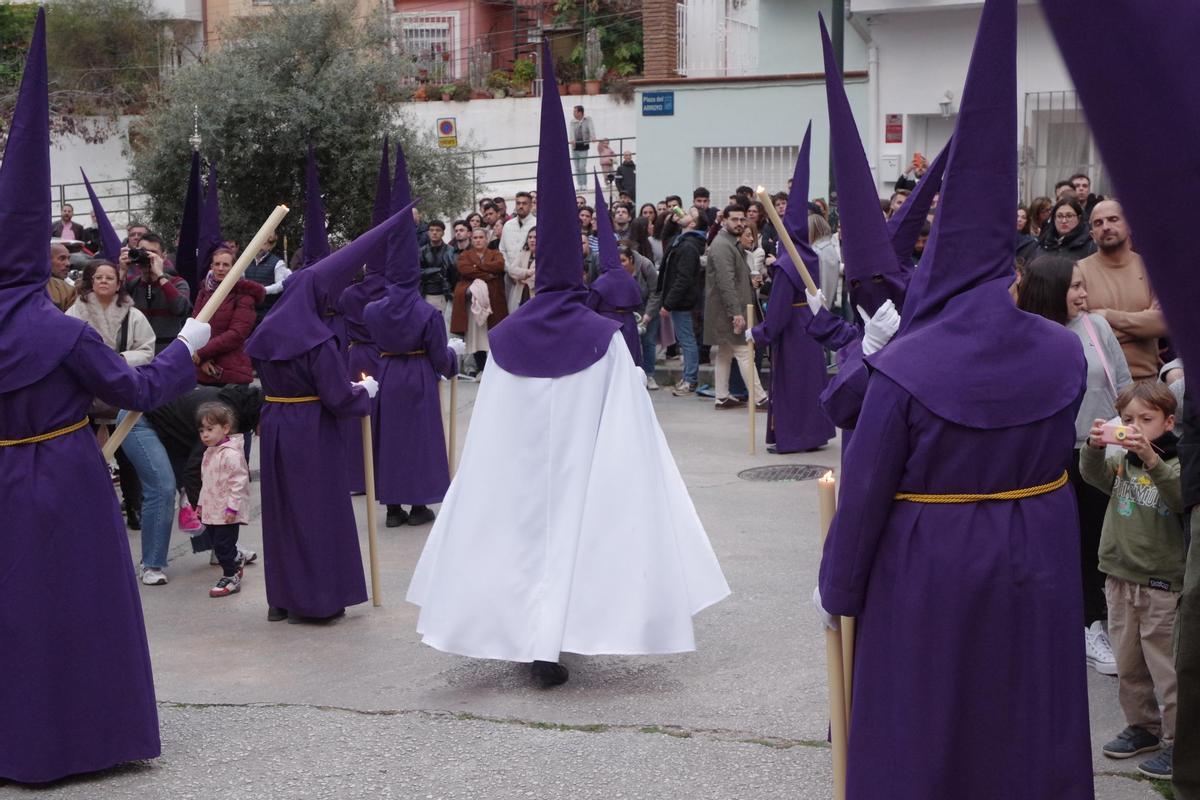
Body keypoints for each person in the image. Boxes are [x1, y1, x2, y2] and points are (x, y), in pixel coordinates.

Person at [817, 3, 1095, 796]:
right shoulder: (1062, 351)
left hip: (929, 567)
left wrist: (837, 591)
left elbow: (865, 500)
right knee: (1024, 717)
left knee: (930, 719)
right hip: (1037, 556)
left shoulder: (904, 368)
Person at [407, 44, 729, 687]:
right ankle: (554, 639)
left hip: (522, 470)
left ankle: (533, 640)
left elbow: (493, 420)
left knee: (523, 540)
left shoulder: (507, 335)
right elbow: (630, 417)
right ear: (576, 266)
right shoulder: (601, 336)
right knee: (574, 541)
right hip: (582, 463)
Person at [0, 12, 210, 782]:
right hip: (62, 475)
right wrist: (187, 348)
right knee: (78, 607)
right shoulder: (63, 331)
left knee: (12, 616)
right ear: (39, 258)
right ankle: (84, 741)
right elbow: (134, 387)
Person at [244, 200, 412, 624]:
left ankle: (280, 598)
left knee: (282, 513)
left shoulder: (266, 332)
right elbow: (337, 398)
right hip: (311, 429)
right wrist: (366, 392)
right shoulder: (316, 342)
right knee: (316, 510)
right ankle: (319, 599)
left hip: (277, 424)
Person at [1017, 255, 1132, 675]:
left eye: (1085, 285)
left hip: (1097, 454)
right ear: (1050, 290)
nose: (1084, 294)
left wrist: (1129, 431)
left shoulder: (1096, 326)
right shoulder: (1026, 335)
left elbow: (1122, 386)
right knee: (1047, 545)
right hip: (1046, 457)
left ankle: (1090, 625)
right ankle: (1048, 624)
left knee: (1095, 545)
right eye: (1075, 287)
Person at [1082, 381, 1184, 779]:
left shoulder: (1175, 462)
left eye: (1146, 419)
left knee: (1166, 669)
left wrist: (1153, 460)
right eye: (1127, 420)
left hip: (1160, 582)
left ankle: (1180, 742)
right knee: (1129, 663)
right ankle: (1143, 727)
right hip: (1119, 575)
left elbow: (1178, 498)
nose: (1135, 427)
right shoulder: (1122, 461)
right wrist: (1093, 446)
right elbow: (1092, 477)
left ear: (1169, 421)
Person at [363, 175, 462, 528]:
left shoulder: (372, 310)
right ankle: (418, 504)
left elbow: (375, 335)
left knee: (390, 439)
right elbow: (440, 357)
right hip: (418, 376)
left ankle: (392, 508)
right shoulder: (426, 312)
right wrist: (453, 358)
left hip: (388, 373)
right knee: (419, 440)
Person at [747, 125, 834, 453]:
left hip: (793, 332)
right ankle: (814, 433)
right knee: (810, 382)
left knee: (791, 385)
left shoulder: (787, 263)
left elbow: (780, 309)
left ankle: (794, 437)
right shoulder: (808, 255)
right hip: (810, 329)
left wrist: (759, 333)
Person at [1077, 199, 1167, 381]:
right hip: (1098, 384)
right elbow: (1085, 334)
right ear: (1092, 234)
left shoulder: (1153, 270)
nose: (1106, 227)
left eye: (1113, 219)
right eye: (1098, 223)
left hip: (1146, 382)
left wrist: (1105, 316)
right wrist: (1142, 327)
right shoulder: (1078, 272)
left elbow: (1163, 324)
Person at [706, 205, 766, 410]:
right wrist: (736, 313)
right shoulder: (723, 245)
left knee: (724, 352)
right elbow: (726, 282)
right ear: (724, 220)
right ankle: (759, 398)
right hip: (730, 310)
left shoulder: (730, 243)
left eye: (742, 220)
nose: (739, 223)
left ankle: (721, 397)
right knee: (744, 351)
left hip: (729, 309)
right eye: (735, 220)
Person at [586, 176, 645, 367]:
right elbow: (638, 300)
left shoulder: (602, 281)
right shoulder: (628, 278)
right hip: (628, 324)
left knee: (612, 365)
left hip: (608, 326)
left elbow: (590, 306)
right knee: (630, 364)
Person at [196, 400, 250, 598]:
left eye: (210, 429)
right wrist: (201, 504)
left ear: (225, 428)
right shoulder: (209, 453)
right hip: (212, 510)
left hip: (226, 511)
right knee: (218, 544)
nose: (205, 435)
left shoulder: (231, 455)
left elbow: (239, 482)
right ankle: (235, 559)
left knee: (222, 545)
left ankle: (230, 576)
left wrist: (232, 508)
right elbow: (207, 483)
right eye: (202, 431)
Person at [650, 207, 705, 396]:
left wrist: (668, 303)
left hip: (683, 302)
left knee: (687, 340)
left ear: (692, 223)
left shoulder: (689, 246)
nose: (684, 213)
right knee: (685, 339)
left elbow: (683, 278)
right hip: (678, 300)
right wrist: (672, 221)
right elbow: (663, 236)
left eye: (690, 213)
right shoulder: (680, 240)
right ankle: (688, 378)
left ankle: (690, 380)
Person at [192, 247, 263, 386]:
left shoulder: (244, 295)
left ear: (234, 267)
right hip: (202, 370)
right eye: (217, 264)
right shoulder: (204, 291)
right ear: (211, 267)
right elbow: (194, 326)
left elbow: (236, 334)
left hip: (231, 372)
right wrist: (202, 359)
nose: (220, 268)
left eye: (225, 265)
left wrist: (201, 353)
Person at [451, 227, 507, 376]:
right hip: (472, 302)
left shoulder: (495, 254)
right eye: (475, 238)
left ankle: (495, 370)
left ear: (486, 239)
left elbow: (499, 266)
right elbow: (464, 270)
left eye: (481, 237)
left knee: (493, 334)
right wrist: (488, 274)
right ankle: (481, 369)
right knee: (476, 337)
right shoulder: (465, 255)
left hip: (494, 299)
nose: (478, 240)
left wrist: (477, 267)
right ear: (471, 239)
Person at [126, 232, 193, 354]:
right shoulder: (132, 284)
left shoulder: (177, 283)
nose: (147, 257)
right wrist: (121, 270)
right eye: (143, 252)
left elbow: (180, 309)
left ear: (164, 256)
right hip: (138, 354)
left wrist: (160, 276)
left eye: (153, 253)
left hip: (168, 354)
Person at [242, 231, 288, 322]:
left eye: (264, 243)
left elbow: (280, 285)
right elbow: (241, 279)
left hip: (267, 311)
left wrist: (263, 290)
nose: (260, 247)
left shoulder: (278, 263)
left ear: (269, 246)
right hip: (248, 309)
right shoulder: (246, 261)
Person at [1034, 197, 1096, 261]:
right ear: (1054, 219)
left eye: (1069, 216)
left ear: (1079, 218)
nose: (1064, 221)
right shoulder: (1044, 243)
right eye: (1059, 216)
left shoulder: (1089, 246)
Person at [420, 219, 458, 315]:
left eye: (438, 230)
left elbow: (452, 273)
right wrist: (439, 270)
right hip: (426, 293)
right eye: (431, 230)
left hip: (445, 294)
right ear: (428, 232)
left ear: (443, 233)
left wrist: (429, 273)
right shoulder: (421, 251)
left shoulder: (451, 250)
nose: (434, 233)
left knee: (445, 326)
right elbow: (418, 272)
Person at [498, 190, 535, 270]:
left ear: (531, 205)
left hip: (531, 275)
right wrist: (509, 269)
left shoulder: (537, 224)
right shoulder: (508, 225)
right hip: (509, 274)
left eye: (524, 203)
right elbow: (502, 249)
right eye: (518, 203)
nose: (520, 206)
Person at [505, 225, 536, 313]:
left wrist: (521, 277)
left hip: (535, 297)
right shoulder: (523, 253)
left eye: (535, 237)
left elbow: (539, 277)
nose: (532, 240)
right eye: (530, 237)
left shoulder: (546, 256)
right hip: (520, 295)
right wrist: (528, 273)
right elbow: (512, 270)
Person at [569, 104, 594, 188]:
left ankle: (584, 184)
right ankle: (579, 184)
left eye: (575, 111)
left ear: (580, 112)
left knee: (582, 166)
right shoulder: (572, 122)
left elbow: (591, 128)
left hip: (583, 146)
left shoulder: (588, 119)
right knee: (577, 167)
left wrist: (593, 137)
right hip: (575, 147)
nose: (573, 113)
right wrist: (572, 140)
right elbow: (571, 132)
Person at [47, 241, 76, 311]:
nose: (68, 264)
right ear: (47, 260)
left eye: (68, 259)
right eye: (62, 258)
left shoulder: (70, 288)